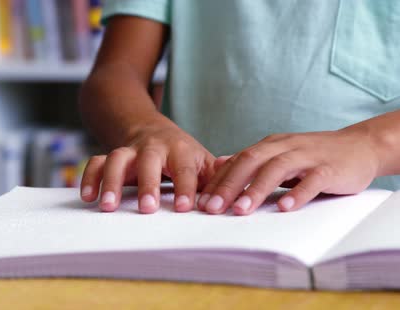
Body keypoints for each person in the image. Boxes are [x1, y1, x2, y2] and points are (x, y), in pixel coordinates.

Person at [78, 0, 400, 215]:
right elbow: (113, 74)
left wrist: (372, 144)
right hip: (192, 214)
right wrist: (144, 128)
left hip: (373, 218)